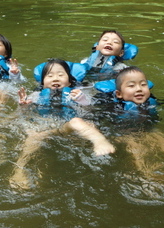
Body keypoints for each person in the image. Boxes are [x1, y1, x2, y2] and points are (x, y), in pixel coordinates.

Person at [9, 58, 115, 189]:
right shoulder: (36, 95)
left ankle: (98, 141)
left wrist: (83, 101)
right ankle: (20, 169)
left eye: (61, 75)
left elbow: (92, 112)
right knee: (31, 138)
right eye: (50, 75)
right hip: (46, 129)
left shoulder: (77, 94)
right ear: (43, 82)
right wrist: (24, 107)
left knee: (84, 124)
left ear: (69, 81)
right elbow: (25, 117)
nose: (55, 78)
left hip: (70, 130)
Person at [94, 66, 164, 181]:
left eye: (143, 84)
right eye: (131, 86)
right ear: (119, 94)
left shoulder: (150, 101)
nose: (139, 89)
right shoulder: (115, 107)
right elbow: (98, 118)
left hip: (148, 129)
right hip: (125, 134)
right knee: (138, 149)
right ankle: (149, 176)